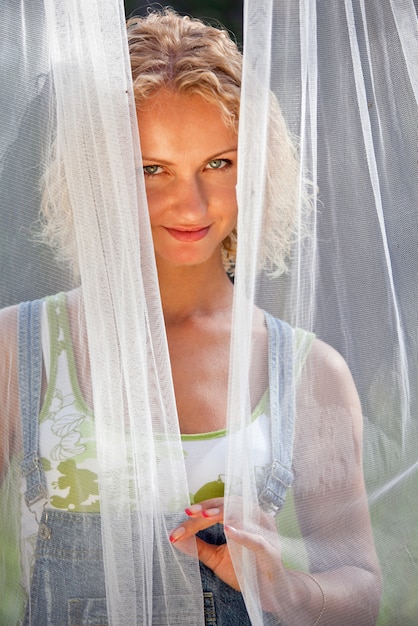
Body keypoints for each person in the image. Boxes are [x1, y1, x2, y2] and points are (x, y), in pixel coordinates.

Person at [0, 8, 382, 625]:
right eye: (153, 169)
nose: (192, 203)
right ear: (100, 177)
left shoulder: (309, 371)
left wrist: (282, 588)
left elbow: (361, 593)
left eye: (218, 163)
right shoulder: (22, 347)